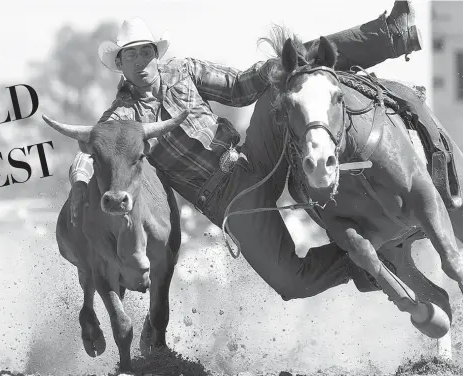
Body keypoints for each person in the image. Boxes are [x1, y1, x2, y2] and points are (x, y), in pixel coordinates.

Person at [68, 2, 423, 301]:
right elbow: (101, 150)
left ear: (156, 55)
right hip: (229, 198)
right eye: (131, 54)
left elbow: (238, 88)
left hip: (252, 156)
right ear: (121, 64)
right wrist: (83, 175)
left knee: (287, 73)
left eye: (146, 51)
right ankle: (367, 261)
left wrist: (277, 67)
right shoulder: (122, 118)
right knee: (291, 282)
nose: (141, 60)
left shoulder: (183, 70)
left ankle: (391, 37)